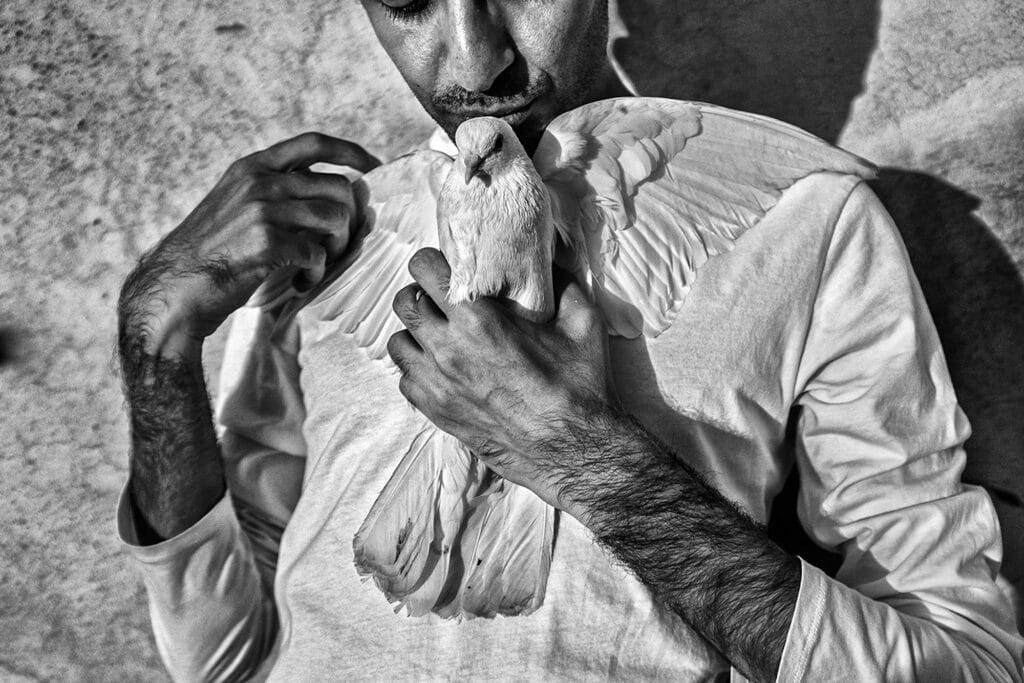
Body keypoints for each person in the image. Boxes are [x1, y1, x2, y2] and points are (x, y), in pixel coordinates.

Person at [115, 1, 1023, 680]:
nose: (477, 57)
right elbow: (224, 658)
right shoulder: (320, 229)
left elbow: (967, 662)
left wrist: (583, 457)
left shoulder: (803, 220)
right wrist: (156, 350)